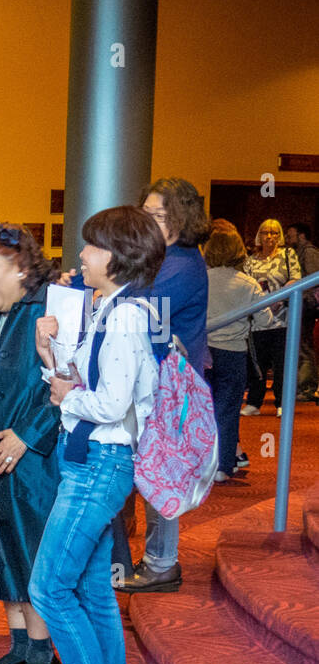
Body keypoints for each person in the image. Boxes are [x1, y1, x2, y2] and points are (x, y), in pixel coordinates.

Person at [30, 206, 164, 664]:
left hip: (102, 461)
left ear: (116, 254)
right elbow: (88, 384)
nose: (81, 256)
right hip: (90, 457)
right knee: (89, 587)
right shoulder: (113, 306)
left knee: (48, 587)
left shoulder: (127, 313)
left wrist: (68, 394)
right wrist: (51, 357)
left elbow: (112, 402)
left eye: (90, 246)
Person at [0, 219, 64, 664]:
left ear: (21, 265)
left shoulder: (46, 312)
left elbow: (66, 386)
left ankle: (45, 657)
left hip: (35, 460)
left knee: (33, 552)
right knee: (5, 553)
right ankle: (21, 647)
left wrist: (26, 436)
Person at [119, 178, 208, 594]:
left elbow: (131, 298)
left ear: (181, 218)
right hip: (153, 384)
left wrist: (94, 284)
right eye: (147, 213)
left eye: (159, 215)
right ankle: (154, 560)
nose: (150, 222)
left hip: (170, 390)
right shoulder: (160, 258)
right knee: (151, 470)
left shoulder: (183, 263)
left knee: (161, 473)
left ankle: (161, 564)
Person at [204, 226, 261, 483]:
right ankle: (223, 466)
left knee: (201, 409)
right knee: (227, 412)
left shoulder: (201, 279)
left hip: (202, 352)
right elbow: (264, 319)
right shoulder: (248, 284)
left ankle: (199, 464)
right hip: (234, 353)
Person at [242, 219, 302, 418]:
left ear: (280, 236)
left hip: (283, 317)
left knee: (282, 362)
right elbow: (246, 284)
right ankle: (254, 402)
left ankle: (282, 403)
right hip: (258, 319)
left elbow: (296, 278)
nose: (270, 237)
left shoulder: (288, 255)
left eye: (274, 233)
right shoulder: (250, 260)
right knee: (257, 363)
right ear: (259, 235)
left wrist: (278, 298)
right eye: (266, 232)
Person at [284, 223, 319, 400]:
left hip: (306, 304)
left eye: (290, 235)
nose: (287, 239)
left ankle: (307, 386)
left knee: (303, 347)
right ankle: (302, 385)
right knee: (300, 346)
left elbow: (313, 279)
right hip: (302, 303)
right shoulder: (298, 253)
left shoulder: (309, 252)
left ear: (302, 236)